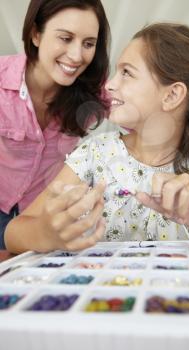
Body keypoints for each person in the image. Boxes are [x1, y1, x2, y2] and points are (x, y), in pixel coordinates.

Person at [5, 23, 189, 261]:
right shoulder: (95, 154)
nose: (109, 85)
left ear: (172, 95)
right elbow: (13, 233)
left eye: (127, 72)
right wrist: (46, 233)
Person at [0, 0, 110, 249]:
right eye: (65, 38)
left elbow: (140, 115)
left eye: (88, 44)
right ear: (36, 34)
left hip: (44, 216)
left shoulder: (95, 91)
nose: (76, 56)